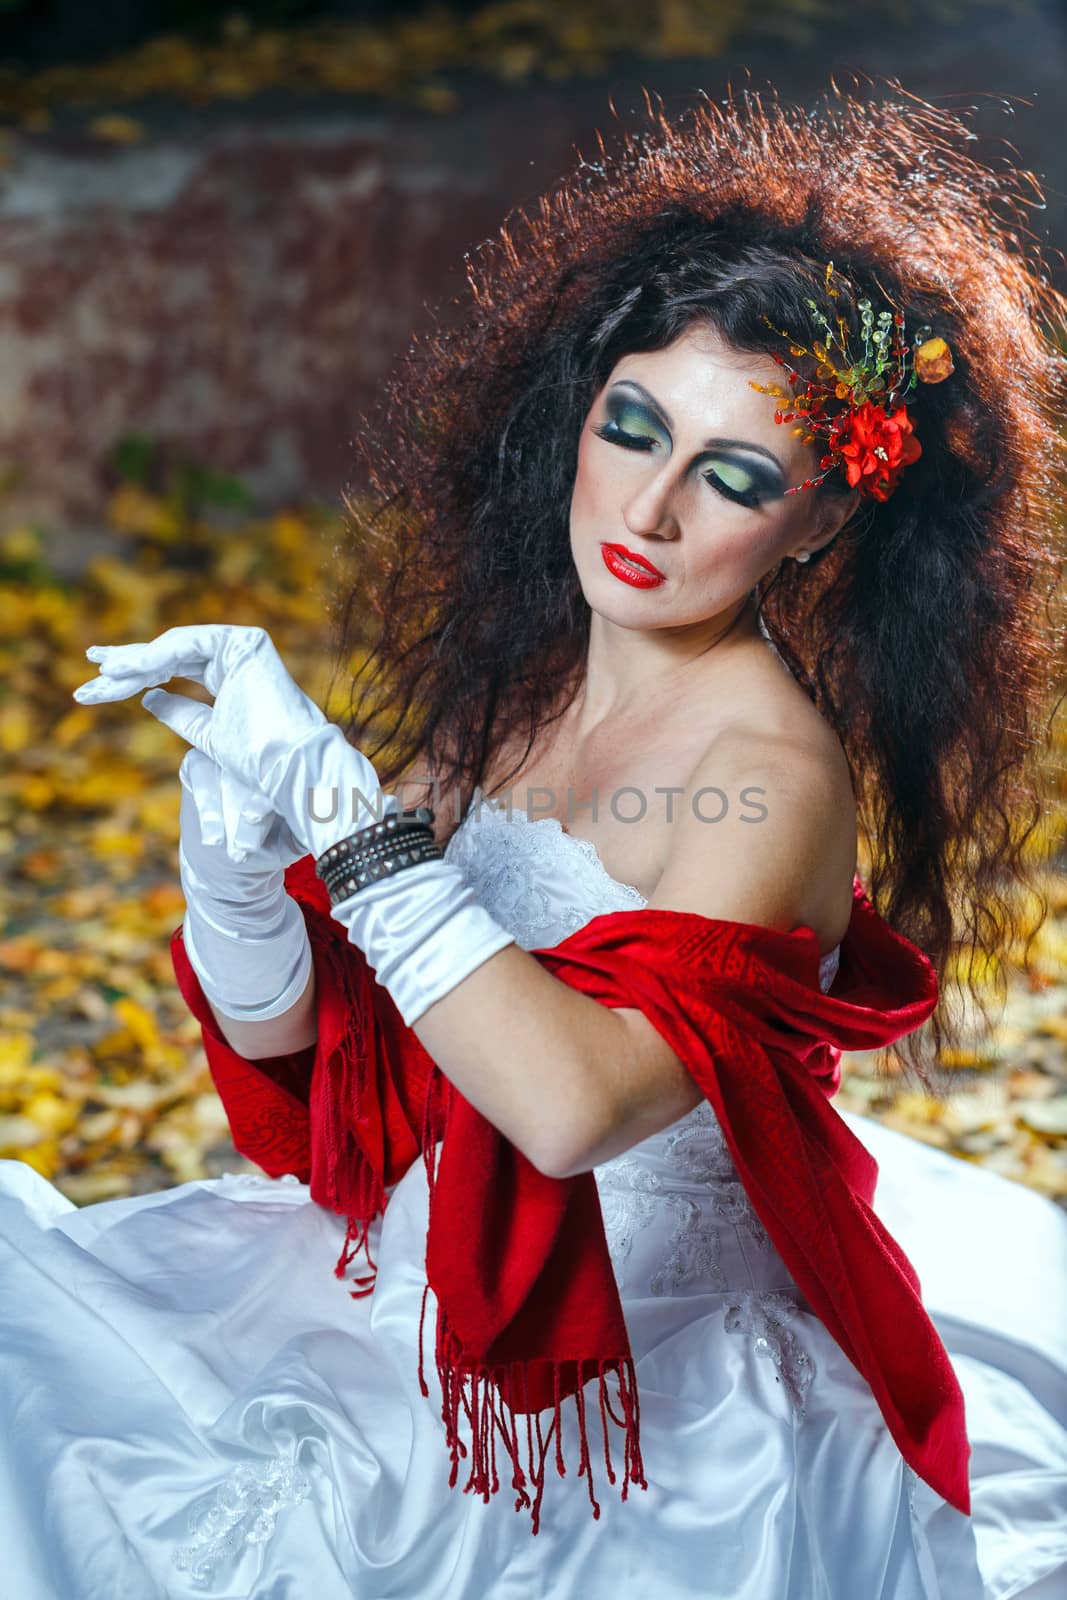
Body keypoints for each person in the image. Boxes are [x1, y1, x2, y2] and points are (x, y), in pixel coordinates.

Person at [2, 77, 1066, 1600]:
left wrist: (337, 803)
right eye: (632, 426)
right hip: (392, 1292)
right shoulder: (523, 686)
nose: (652, 503)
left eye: (737, 476)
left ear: (819, 526)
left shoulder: (771, 775)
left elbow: (565, 1108)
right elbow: (341, 1087)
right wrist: (233, 860)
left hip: (626, 1390)